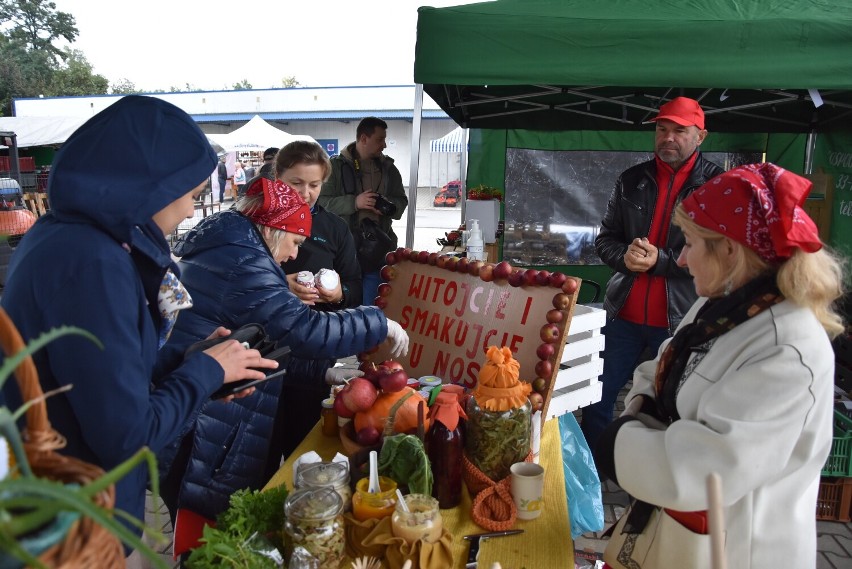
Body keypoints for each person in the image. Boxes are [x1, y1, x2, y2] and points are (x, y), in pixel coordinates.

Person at [0, 96, 278, 547]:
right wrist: (205, 372)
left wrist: (185, 362)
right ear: (149, 184)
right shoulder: (93, 263)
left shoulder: (66, 236)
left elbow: (95, 375)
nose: (191, 210)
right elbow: (128, 435)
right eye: (189, 194)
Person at [594, 163, 845, 568]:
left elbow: (706, 469)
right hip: (682, 534)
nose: (683, 259)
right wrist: (647, 416)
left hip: (736, 552)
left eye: (690, 243)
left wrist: (618, 442)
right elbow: (657, 369)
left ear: (729, 250)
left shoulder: (788, 349)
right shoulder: (720, 306)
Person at [158, 176, 409, 552]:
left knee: (216, 529)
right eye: (294, 242)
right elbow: (303, 329)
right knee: (208, 536)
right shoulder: (243, 260)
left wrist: (322, 372)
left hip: (208, 416)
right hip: (202, 431)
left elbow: (258, 346)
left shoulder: (233, 247)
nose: (293, 255)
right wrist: (377, 322)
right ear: (274, 229)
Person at [582, 97, 724, 449]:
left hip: (679, 321)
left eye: (680, 130)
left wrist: (660, 261)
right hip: (622, 316)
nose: (668, 137)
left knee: (667, 406)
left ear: (701, 136)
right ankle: (594, 474)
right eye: (662, 129)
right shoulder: (631, 180)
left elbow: (719, 254)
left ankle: (648, 487)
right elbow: (606, 240)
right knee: (597, 400)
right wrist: (625, 257)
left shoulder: (717, 186)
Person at [276, 140, 363, 458]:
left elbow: (355, 287)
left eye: (314, 184)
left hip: (315, 347)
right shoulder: (255, 224)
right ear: (278, 178)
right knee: (266, 446)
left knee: (306, 444)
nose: (305, 192)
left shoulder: (335, 227)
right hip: (268, 347)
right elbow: (240, 281)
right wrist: (280, 283)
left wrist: (341, 293)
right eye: (295, 183)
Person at [318, 116, 407, 305]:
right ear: (364, 139)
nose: (384, 145)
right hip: (343, 250)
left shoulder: (389, 170)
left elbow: (401, 200)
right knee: (345, 304)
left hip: (378, 249)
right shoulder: (335, 168)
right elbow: (321, 203)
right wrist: (354, 203)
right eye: (379, 139)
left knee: (372, 304)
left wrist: (390, 208)